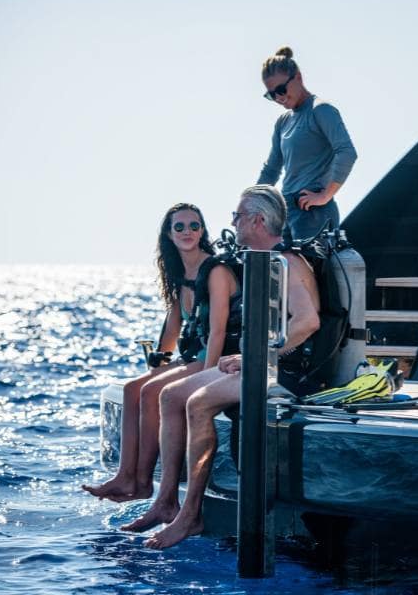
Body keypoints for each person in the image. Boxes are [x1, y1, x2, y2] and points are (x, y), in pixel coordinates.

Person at [121, 185, 321, 548]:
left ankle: (191, 516)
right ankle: (166, 501)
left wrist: (257, 355)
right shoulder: (259, 260)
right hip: (260, 363)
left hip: (286, 371)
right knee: (168, 395)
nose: (233, 222)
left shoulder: (286, 262)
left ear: (257, 220)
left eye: (238, 216)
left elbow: (307, 321)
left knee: (197, 403)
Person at [81, 203, 241, 502]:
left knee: (153, 391)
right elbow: (172, 327)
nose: (187, 232)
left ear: (202, 230)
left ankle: (143, 483)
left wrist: (208, 377)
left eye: (194, 226)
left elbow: (218, 331)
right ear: (169, 234)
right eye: (179, 227)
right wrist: (161, 362)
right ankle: (124, 476)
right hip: (193, 355)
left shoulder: (216, 270)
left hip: (214, 357)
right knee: (133, 389)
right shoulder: (180, 274)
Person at [258, 46, 357, 241]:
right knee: (282, 271)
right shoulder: (283, 121)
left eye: (281, 89)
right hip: (285, 214)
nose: (278, 97)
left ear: (298, 77)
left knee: (311, 271)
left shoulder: (321, 110)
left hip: (313, 214)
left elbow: (347, 152)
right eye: (271, 94)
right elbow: (272, 170)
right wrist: (251, 202)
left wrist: (325, 196)